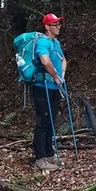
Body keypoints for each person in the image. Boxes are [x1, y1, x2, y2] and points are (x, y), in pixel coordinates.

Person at [32, 13, 67, 171]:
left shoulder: (56, 43)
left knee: (51, 121)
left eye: (59, 24)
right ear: (47, 27)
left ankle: (49, 153)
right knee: (43, 121)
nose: (58, 26)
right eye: (55, 24)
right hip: (42, 87)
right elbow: (45, 61)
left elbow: (63, 60)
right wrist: (55, 76)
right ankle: (40, 158)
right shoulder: (43, 43)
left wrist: (62, 76)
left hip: (54, 87)